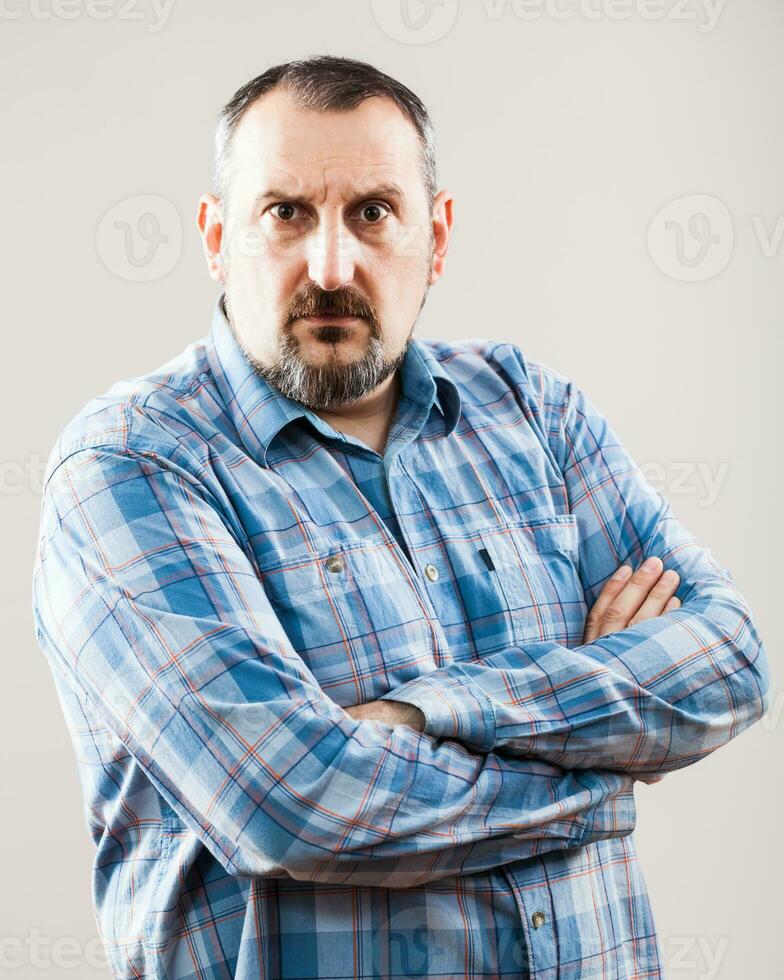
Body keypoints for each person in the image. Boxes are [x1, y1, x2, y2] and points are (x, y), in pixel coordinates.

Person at [31, 55, 770, 980]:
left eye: (373, 213)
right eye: (286, 212)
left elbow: (733, 658)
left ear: (439, 235)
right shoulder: (131, 465)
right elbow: (292, 802)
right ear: (218, 237)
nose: (330, 264)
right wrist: (602, 767)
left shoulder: (532, 409)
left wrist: (423, 719)